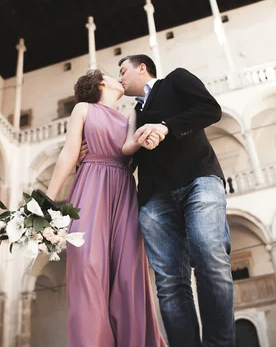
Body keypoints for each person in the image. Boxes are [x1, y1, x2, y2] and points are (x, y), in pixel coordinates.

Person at [118, 54, 235, 346]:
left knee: (211, 258)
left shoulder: (176, 79)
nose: (120, 78)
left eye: (122, 71)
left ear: (141, 67)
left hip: (198, 178)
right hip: (154, 196)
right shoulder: (132, 114)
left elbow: (210, 109)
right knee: (170, 284)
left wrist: (166, 127)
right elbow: (127, 158)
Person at [45, 69, 166, 347]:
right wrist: (47, 200)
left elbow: (128, 152)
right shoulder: (83, 109)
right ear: (101, 83)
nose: (119, 79)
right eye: (114, 75)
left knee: (128, 272)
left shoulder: (129, 117)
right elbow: (69, 151)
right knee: (87, 264)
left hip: (123, 190)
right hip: (90, 185)